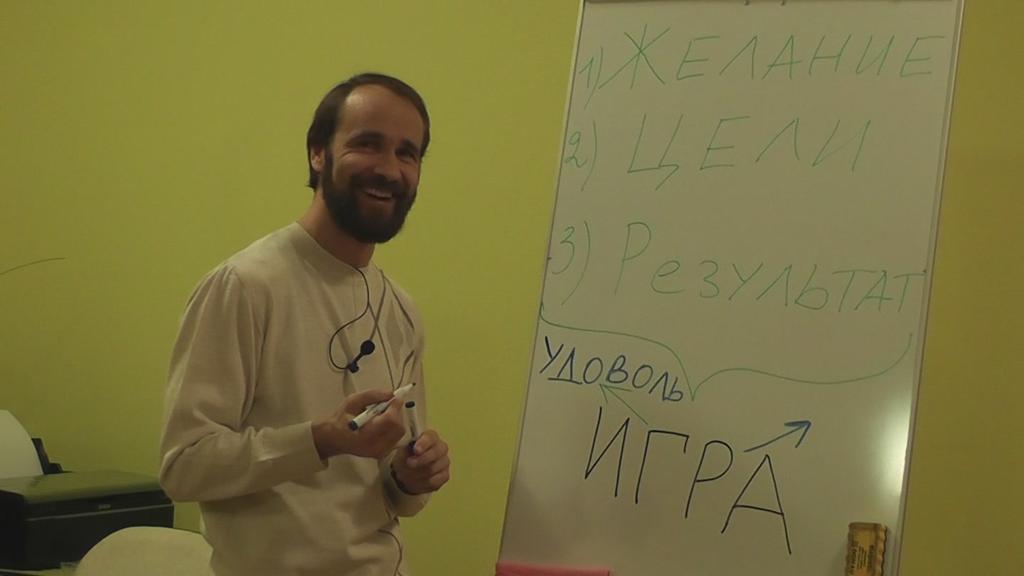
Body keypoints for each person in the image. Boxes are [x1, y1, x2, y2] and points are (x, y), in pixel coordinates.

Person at [158, 72, 451, 576]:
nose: (389, 169)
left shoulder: (401, 310)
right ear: (318, 153)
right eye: (368, 144)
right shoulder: (245, 286)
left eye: (407, 153)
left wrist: (411, 476)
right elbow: (184, 466)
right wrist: (320, 440)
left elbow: (396, 497)